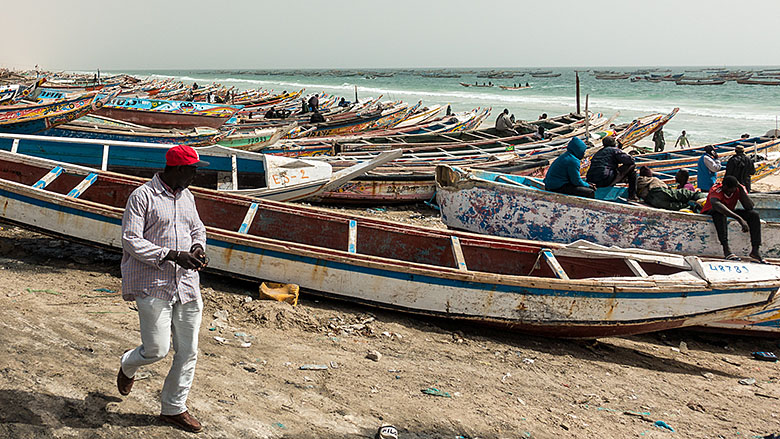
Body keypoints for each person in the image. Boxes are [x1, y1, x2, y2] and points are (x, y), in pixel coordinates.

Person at [117, 145, 209, 433]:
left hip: (187, 285)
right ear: (178, 169)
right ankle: (128, 364)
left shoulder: (188, 197)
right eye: (193, 169)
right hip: (153, 284)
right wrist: (171, 254)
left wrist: (197, 248)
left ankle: (173, 408)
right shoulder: (142, 196)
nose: (195, 175)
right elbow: (131, 239)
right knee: (157, 349)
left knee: (188, 351)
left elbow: (198, 229)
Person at [701, 175, 763, 261]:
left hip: (729, 211)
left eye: (733, 190)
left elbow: (749, 207)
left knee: (754, 215)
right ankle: (726, 250)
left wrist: (741, 190)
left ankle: (755, 250)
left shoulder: (738, 189)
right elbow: (716, 205)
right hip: (712, 211)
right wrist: (739, 219)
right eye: (729, 190)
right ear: (724, 187)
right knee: (720, 214)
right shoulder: (716, 189)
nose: (730, 192)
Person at [586, 136, 638, 200]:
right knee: (632, 166)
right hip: (605, 180)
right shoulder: (614, 150)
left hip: (591, 179)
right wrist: (619, 150)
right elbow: (630, 160)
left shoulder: (599, 152)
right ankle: (632, 195)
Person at [636, 166, 705, 211]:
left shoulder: (638, 182)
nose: (675, 177)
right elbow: (668, 190)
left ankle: (692, 207)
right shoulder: (652, 179)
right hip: (657, 191)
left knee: (674, 206)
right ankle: (703, 197)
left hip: (651, 200)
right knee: (683, 194)